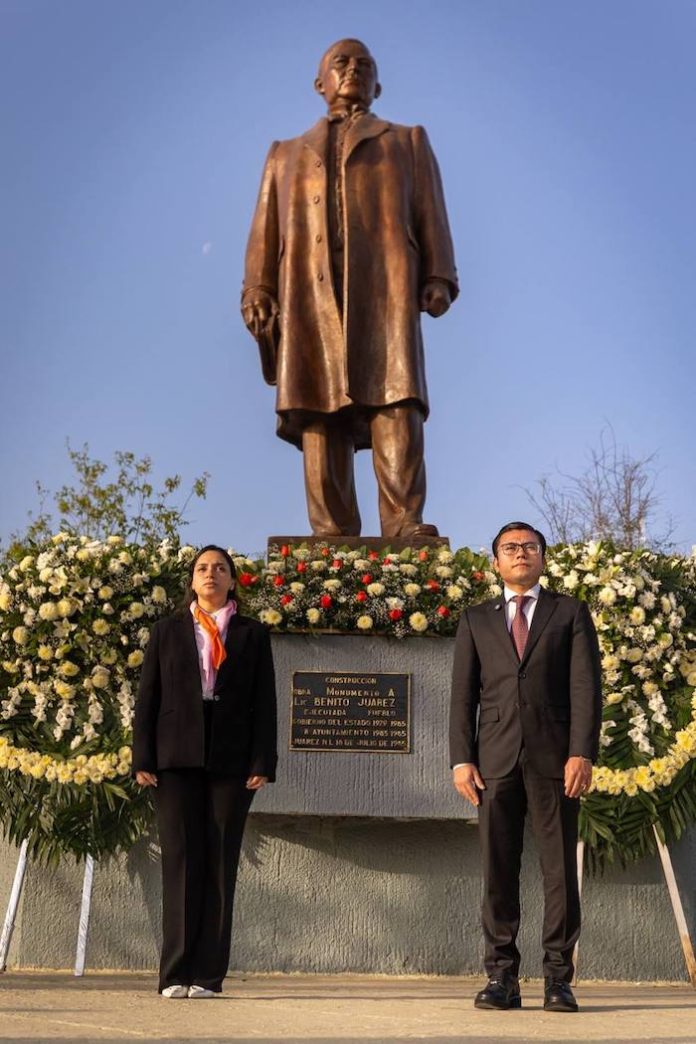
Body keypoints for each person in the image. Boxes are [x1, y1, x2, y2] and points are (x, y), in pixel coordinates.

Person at [241, 38, 458, 540]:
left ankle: (403, 522)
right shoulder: (284, 154)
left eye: (364, 63)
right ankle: (332, 534)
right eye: (341, 62)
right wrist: (258, 289)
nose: (353, 69)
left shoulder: (406, 141)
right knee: (319, 407)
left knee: (396, 398)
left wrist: (439, 275)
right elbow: (264, 231)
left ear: (378, 85)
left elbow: (431, 211)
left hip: (385, 289)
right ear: (320, 83)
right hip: (307, 294)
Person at [449, 522, 602, 1012]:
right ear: (496, 561)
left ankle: (558, 978)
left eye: (529, 546)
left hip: (556, 758)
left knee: (559, 871)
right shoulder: (476, 619)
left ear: (542, 557)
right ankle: (502, 977)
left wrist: (582, 751)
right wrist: (461, 758)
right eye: (510, 548)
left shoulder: (569, 612)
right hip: (493, 761)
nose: (521, 553)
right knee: (498, 869)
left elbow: (586, 687)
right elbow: (463, 696)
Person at [132, 545, 277, 998]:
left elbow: (265, 701)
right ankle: (175, 973)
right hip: (175, 756)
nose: (210, 574)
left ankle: (208, 975)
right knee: (180, 860)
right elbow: (148, 698)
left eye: (219, 568)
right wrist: (142, 757)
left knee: (219, 862)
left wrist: (263, 760)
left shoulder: (253, 634)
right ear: (192, 581)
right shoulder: (167, 631)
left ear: (232, 580)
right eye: (202, 568)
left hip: (232, 757)